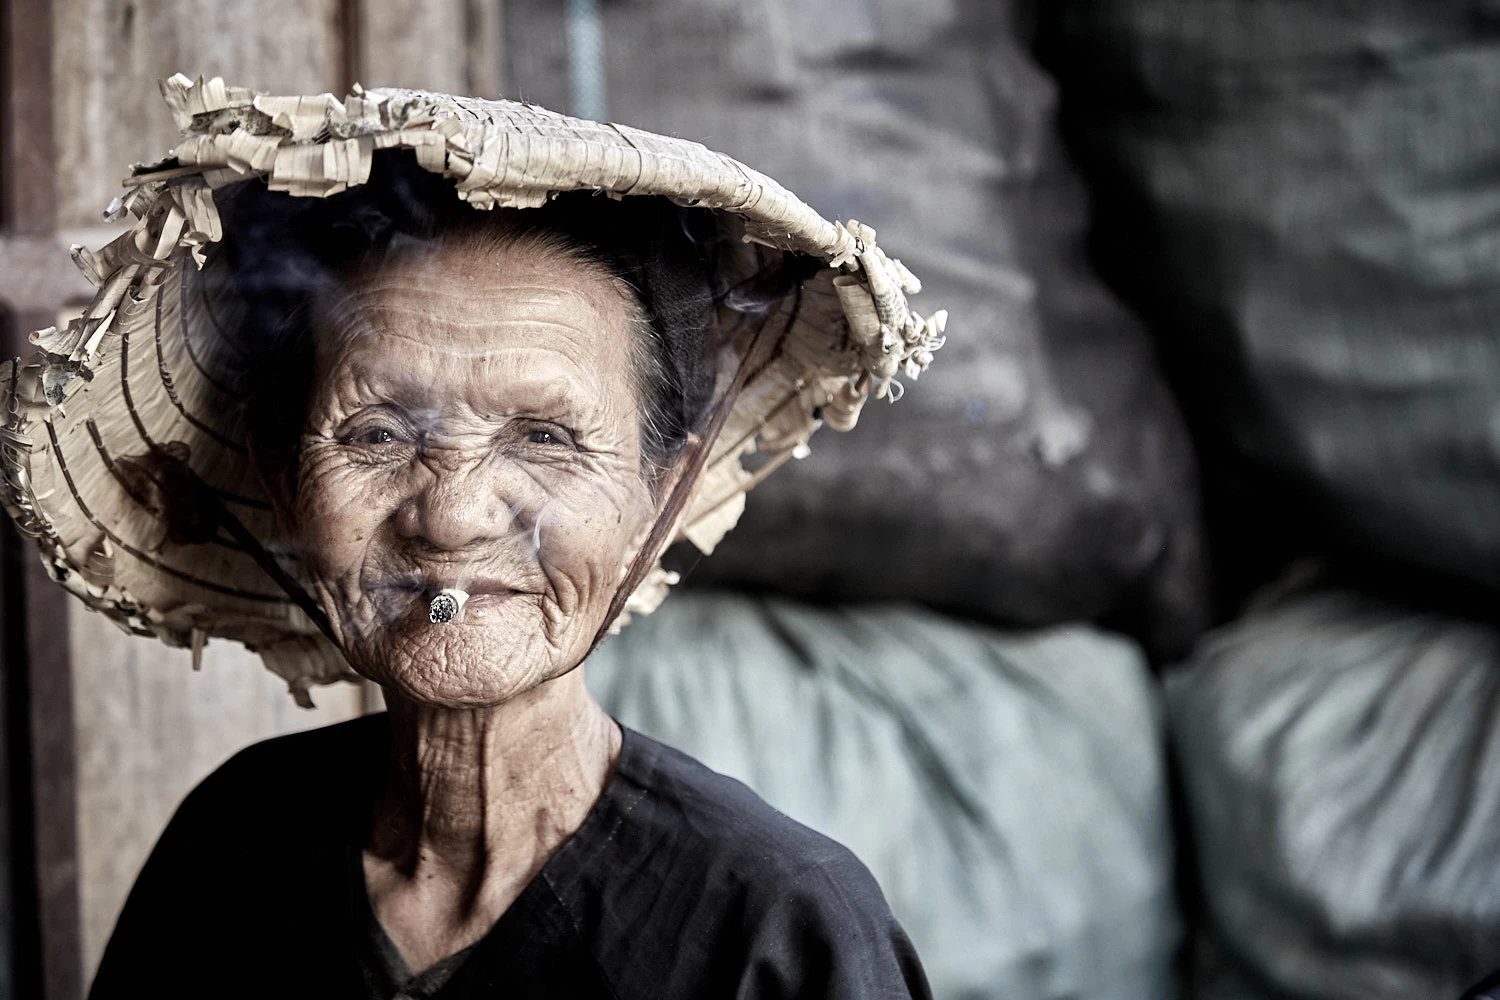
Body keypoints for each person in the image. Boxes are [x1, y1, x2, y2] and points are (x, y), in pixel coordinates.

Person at [2, 78, 945, 999]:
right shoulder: (235, 842)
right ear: (285, 486)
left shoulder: (779, 933)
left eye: (544, 438)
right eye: (376, 435)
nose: (450, 516)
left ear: (654, 503)